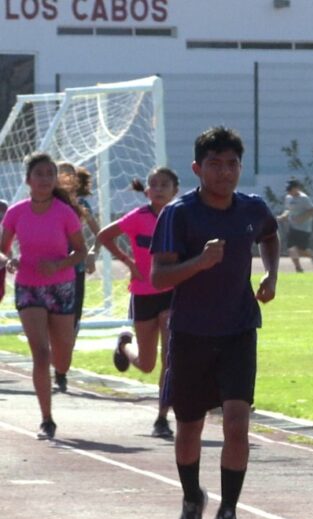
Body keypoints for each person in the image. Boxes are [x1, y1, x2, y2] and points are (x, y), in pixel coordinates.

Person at [151, 126, 279, 519]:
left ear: (241, 167)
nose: (225, 173)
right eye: (215, 164)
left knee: (237, 422)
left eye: (232, 164)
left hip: (239, 328)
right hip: (190, 333)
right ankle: (192, 499)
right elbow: (159, 276)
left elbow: (269, 233)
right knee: (189, 427)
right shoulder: (179, 214)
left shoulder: (252, 207)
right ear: (197, 168)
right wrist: (201, 262)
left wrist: (271, 273)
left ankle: (228, 514)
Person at [0, 152, 87, 440]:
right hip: (28, 286)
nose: (46, 179)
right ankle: (46, 418)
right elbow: (3, 248)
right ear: (28, 179)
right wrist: (8, 259)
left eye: (50, 174)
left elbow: (81, 252)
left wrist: (58, 265)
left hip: (61, 286)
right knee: (41, 353)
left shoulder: (65, 212)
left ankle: (60, 370)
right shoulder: (16, 212)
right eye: (40, 174)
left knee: (61, 357)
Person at [96, 167, 180, 439]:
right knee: (146, 363)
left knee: (170, 357)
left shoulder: (181, 217)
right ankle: (124, 345)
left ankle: (162, 418)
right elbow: (103, 236)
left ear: (175, 190)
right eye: (153, 185)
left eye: (164, 184)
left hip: (171, 292)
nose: (158, 189)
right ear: (146, 192)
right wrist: (128, 261)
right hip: (143, 293)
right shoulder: (138, 217)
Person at [55, 162, 101, 392]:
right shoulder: (47, 204)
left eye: (68, 175)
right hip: (51, 271)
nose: (64, 178)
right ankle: (55, 363)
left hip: (76, 270)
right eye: (60, 174)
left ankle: (61, 371)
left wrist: (93, 252)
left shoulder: (82, 205)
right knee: (51, 320)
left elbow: (100, 233)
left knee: (71, 321)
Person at [278, 179, 313, 272]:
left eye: (291, 189)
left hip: (304, 229)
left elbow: (312, 210)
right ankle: (298, 268)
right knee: (291, 248)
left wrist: (301, 218)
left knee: (301, 250)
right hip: (292, 228)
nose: (289, 191)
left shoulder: (304, 198)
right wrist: (282, 216)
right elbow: (288, 210)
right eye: (288, 189)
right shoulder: (288, 198)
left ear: (297, 188)